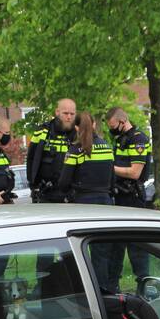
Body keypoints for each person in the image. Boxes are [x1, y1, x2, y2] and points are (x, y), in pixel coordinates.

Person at [59, 112, 115, 286]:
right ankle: (104, 289)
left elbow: (63, 183)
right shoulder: (106, 147)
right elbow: (112, 180)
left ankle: (85, 289)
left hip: (83, 205)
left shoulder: (75, 150)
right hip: (105, 203)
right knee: (102, 252)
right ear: (94, 125)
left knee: (80, 250)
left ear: (76, 127)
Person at [106, 107, 152, 290]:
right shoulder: (122, 139)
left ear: (122, 122)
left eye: (113, 126)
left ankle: (145, 287)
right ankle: (111, 288)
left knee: (137, 247)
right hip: (120, 198)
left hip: (133, 199)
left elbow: (135, 172)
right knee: (115, 248)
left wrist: (108, 167)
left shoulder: (138, 139)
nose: (112, 129)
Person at [27, 98, 77, 203]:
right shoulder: (43, 131)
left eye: (72, 114)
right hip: (46, 193)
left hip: (71, 194)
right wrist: (33, 186)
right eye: (66, 113)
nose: (69, 117)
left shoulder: (78, 134)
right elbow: (31, 159)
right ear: (57, 112)